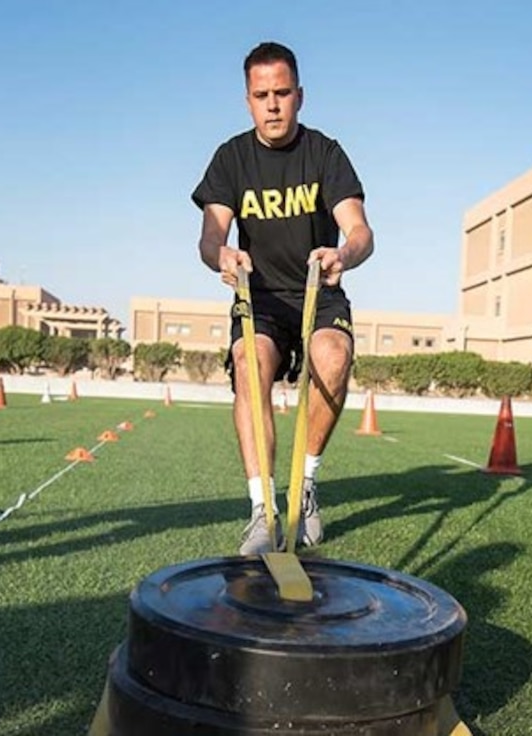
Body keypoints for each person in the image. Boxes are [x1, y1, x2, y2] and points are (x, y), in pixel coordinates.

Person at [192, 41, 375, 555]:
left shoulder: (325, 153)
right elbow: (210, 237)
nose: (272, 104)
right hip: (262, 297)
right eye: (261, 95)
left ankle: (304, 487)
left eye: (282, 93)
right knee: (249, 363)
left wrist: (346, 254)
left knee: (333, 357)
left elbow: (360, 230)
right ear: (247, 100)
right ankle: (262, 511)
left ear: (300, 95)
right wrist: (222, 255)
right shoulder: (231, 159)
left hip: (319, 290)